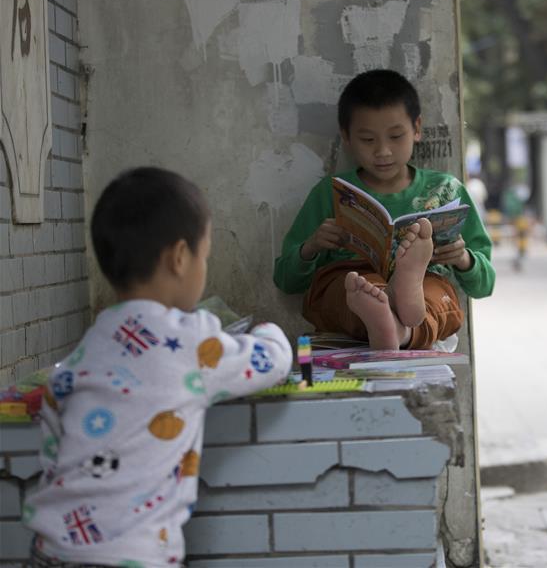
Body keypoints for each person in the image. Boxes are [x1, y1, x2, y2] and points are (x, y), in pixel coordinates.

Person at [24, 167, 292, 567]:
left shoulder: (85, 350)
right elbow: (272, 361)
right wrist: (268, 330)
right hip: (133, 556)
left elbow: (52, 444)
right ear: (180, 258)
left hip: (51, 550)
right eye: (205, 256)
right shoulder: (191, 340)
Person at [273, 69, 495, 351]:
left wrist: (463, 259)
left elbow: (484, 284)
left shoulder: (446, 191)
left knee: (436, 296)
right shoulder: (332, 192)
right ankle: (393, 321)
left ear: (416, 129)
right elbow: (286, 280)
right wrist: (312, 246)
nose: (383, 151)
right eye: (368, 139)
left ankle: (395, 323)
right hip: (352, 277)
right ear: (346, 136)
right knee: (349, 289)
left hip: (426, 279)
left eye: (396, 136)